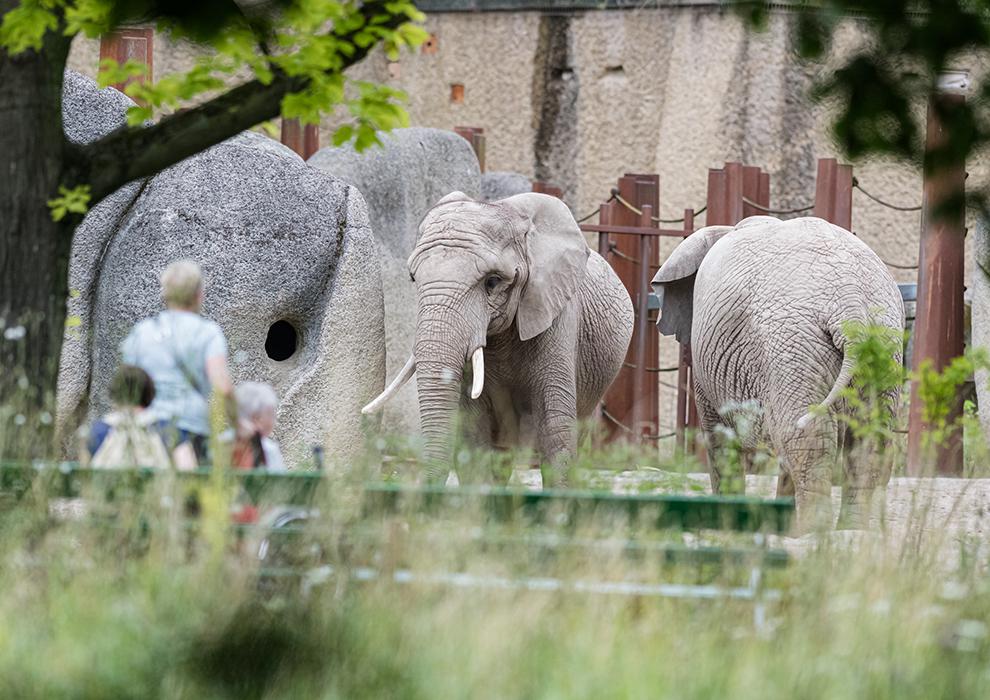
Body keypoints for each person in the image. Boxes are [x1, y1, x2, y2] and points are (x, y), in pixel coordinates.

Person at [119, 259, 234, 466]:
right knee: (193, 494)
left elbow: (127, 385)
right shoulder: (208, 333)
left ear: (165, 294)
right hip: (192, 429)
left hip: (149, 430)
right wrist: (240, 423)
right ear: (199, 295)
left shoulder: (143, 331)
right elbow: (222, 387)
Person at [81, 365, 171, 469]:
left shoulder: (95, 431)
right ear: (149, 394)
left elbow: (84, 476)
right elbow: (189, 473)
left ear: (114, 394)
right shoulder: (168, 429)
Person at [228, 382, 286, 471]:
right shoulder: (269, 450)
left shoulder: (218, 444)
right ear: (256, 417)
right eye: (271, 415)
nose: (274, 422)